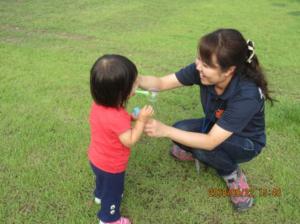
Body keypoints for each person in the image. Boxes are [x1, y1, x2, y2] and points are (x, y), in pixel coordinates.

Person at [140, 29, 274, 211]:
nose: (198, 67)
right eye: (199, 60)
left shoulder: (246, 95)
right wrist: (134, 79)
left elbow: (210, 141)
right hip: (216, 127)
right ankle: (204, 154)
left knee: (201, 146)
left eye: (206, 65)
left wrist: (164, 130)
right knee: (181, 129)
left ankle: (233, 175)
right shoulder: (202, 70)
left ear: (229, 71)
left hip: (246, 142)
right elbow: (162, 83)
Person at [88, 54, 154, 224]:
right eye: (133, 84)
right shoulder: (116, 116)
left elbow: (113, 124)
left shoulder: (100, 106)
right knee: (113, 194)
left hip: (96, 158)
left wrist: (131, 117)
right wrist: (141, 121)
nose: (137, 85)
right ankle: (109, 218)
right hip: (112, 166)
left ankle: (100, 195)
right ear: (120, 92)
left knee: (102, 181)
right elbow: (129, 139)